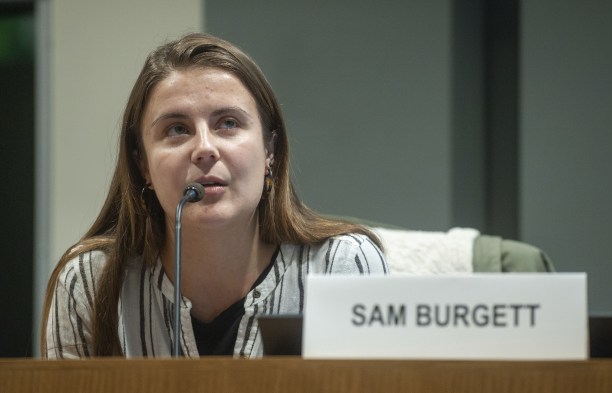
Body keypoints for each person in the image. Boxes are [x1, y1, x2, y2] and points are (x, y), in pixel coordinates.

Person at [41, 32, 388, 359]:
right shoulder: (89, 283)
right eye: (177, 129)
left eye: (228, 123)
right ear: (143, 165)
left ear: (270, 151)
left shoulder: (340, 266)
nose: (204, 149)